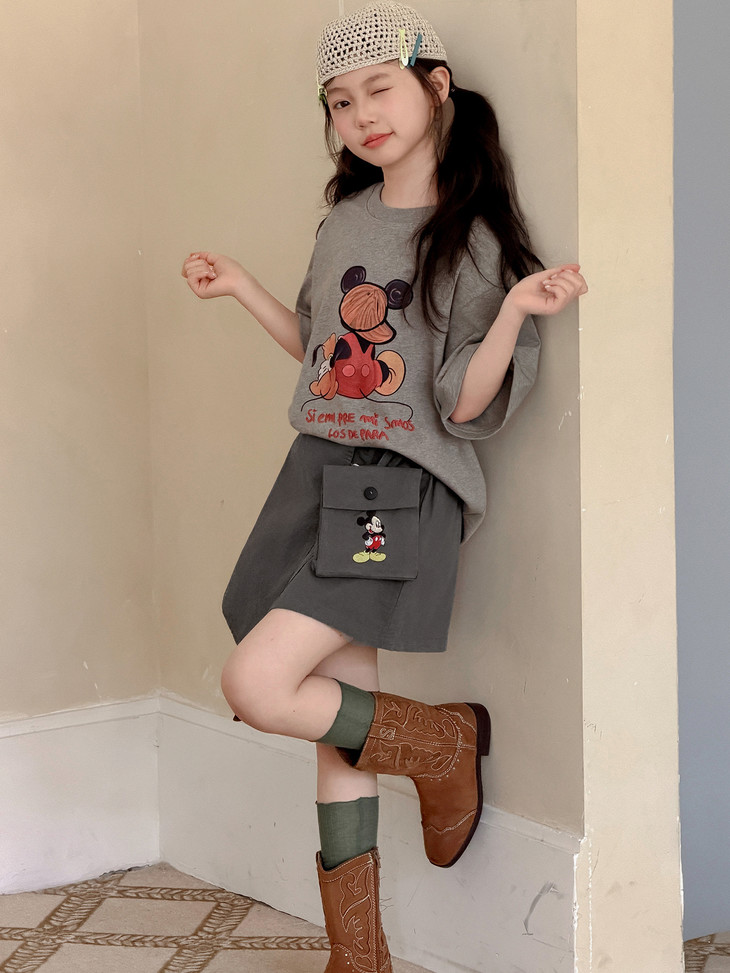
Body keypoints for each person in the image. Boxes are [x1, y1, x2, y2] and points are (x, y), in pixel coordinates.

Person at [181, 2, 587, 969]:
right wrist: (243, 288)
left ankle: (442, 746)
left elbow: (464, 404)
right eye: (339, 101)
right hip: (317, 470)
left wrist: (512, 313)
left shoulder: (472, 237)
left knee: (257, 683)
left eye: (378, 89)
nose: (360, 115)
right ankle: (358, 958)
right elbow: (325, 355)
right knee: (338, 723)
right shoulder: (345, 223)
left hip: (396, 492)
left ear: (435, 87)